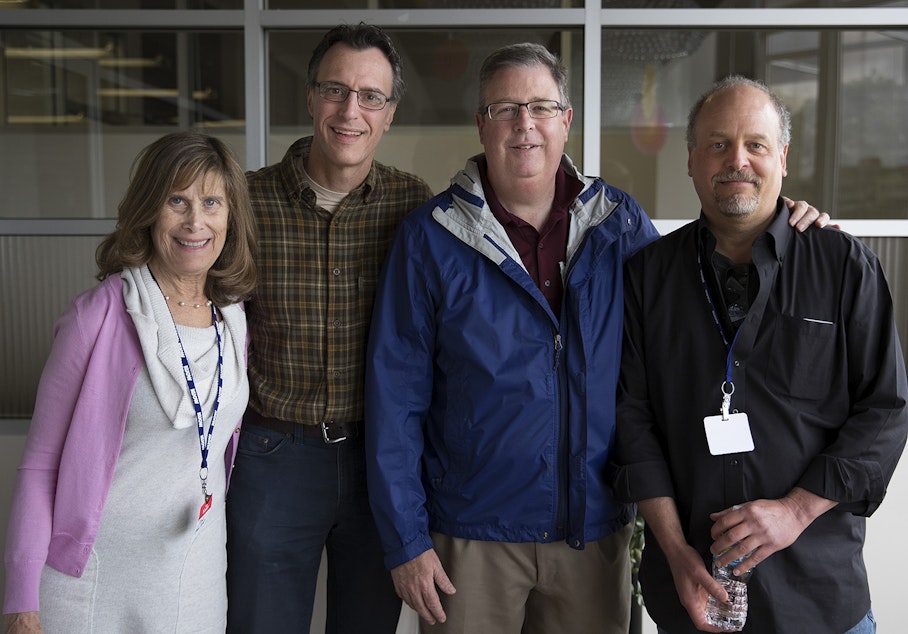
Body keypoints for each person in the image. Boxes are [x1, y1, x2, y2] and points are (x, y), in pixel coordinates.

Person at [364, 45, 828, 633]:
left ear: (567, 119)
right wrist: (406, 540)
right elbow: (395, 398)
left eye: (540, 106)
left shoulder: (619, 223)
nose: (524, 124)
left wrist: (783, 222)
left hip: (594, 534)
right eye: (505, 108)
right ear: (481, 123)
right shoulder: (429, 239)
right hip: (470, 540)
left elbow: (705, 285)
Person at [611, 75, 908, 633]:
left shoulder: (843, 267)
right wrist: (675, 553)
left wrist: (797, 511)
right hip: (692, 592)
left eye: (756, 144)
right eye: (718, 144)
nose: (737, 160)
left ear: (783, 159)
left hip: (818, 598)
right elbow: (633, 421)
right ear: (692, 160)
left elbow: (886, 410)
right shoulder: (648, 278)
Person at [2, 131, 257, 633]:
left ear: (231, 216)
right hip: (91, 581)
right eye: (176, 200)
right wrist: (19, 601)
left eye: (211, 202)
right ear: (149, 210)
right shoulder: (95, 316)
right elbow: (39, 465)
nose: (195, 221)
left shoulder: (234, 322)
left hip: (194, 579)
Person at [225, 23, 433, 634]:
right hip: (273, 456)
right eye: (336, 90)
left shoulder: (411, 204)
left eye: (371, 96)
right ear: (311, 98)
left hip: (381, 465)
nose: (351, 111)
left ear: (390, 113)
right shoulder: (245, 201)